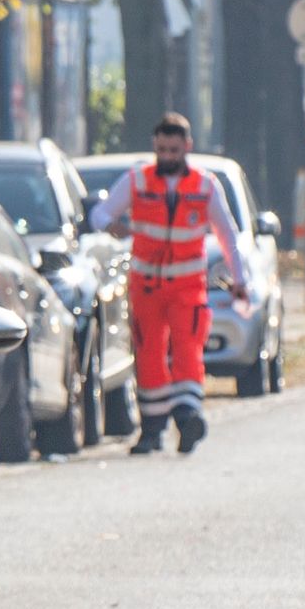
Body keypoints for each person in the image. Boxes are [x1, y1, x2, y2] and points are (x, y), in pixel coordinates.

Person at [96, 113, 251, 454]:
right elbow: (100, 213)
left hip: (187, 287)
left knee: (188, 350)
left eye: (173, 150)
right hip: (146, 287)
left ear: (187, 147)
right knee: (149, 353)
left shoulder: (205, 186)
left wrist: (240, 280)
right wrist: (113, 225)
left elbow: (228, 235)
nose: (167, 156)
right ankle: (152, 429)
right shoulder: (137, 181)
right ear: (155, 146)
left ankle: (187, 417)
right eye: (162, 149)